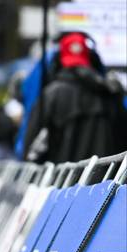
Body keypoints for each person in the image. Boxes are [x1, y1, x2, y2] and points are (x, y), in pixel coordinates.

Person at [24, 31, 127, 163]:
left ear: (58, 61)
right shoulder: (111, 92)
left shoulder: (50, 95)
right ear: (91, 59)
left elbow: (31, 150)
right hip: (106, 180)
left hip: (62, 181)